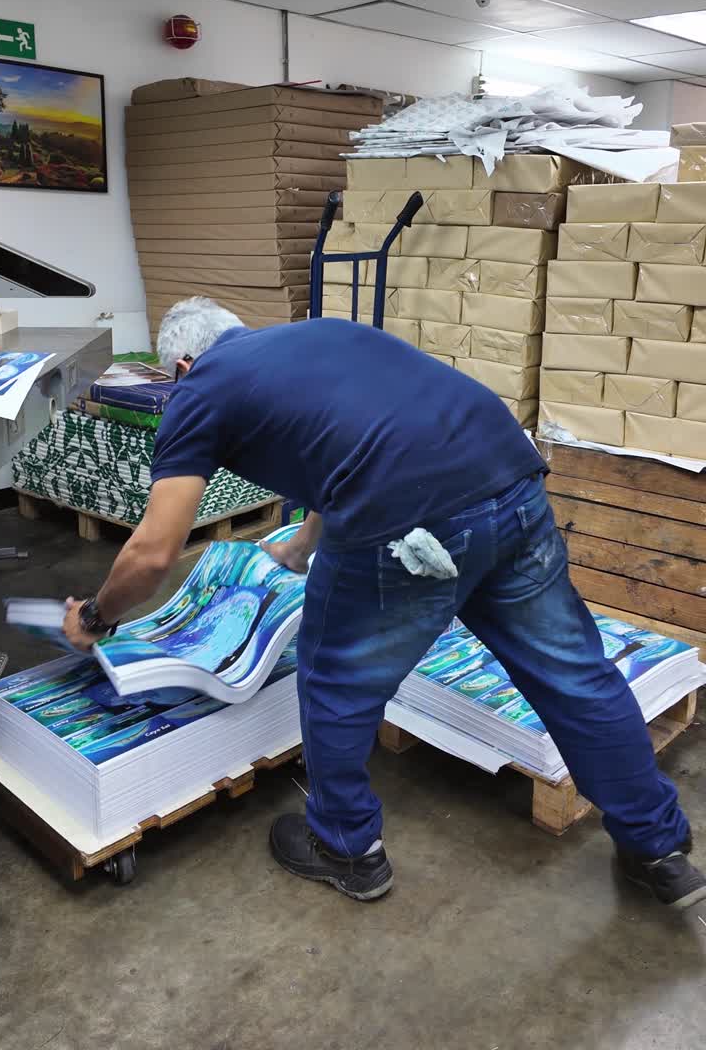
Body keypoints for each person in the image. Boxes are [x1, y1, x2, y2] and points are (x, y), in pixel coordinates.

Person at [63, 298, 705, 909]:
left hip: (411, 519)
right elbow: (357, 435)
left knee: (334, 679)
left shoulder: (198, 390)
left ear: (181, 367)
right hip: (510, 481)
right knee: (575, 676)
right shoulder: (315, 336)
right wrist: (305, 545)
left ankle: (346, 847)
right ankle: (660, 849)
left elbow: (152, 553)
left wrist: (95, 618)